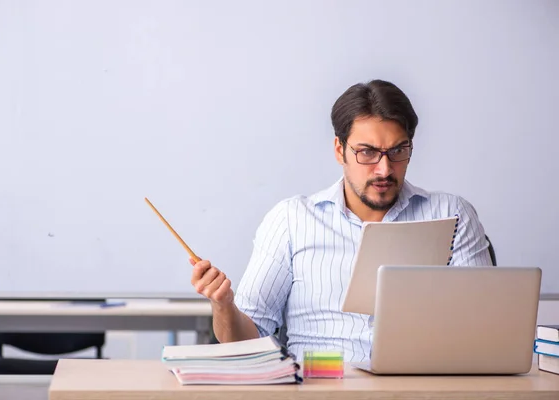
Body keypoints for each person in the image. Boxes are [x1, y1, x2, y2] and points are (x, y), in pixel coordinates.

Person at [189, 79, 493, 363]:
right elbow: (244, 346)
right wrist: (223, 305)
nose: (384, 169)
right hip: (322, 383)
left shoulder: (452, 213)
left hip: (421, 385)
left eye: (398, 151)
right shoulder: (292, 220)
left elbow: (487, 329)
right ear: (340, 150)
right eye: (367, 153)